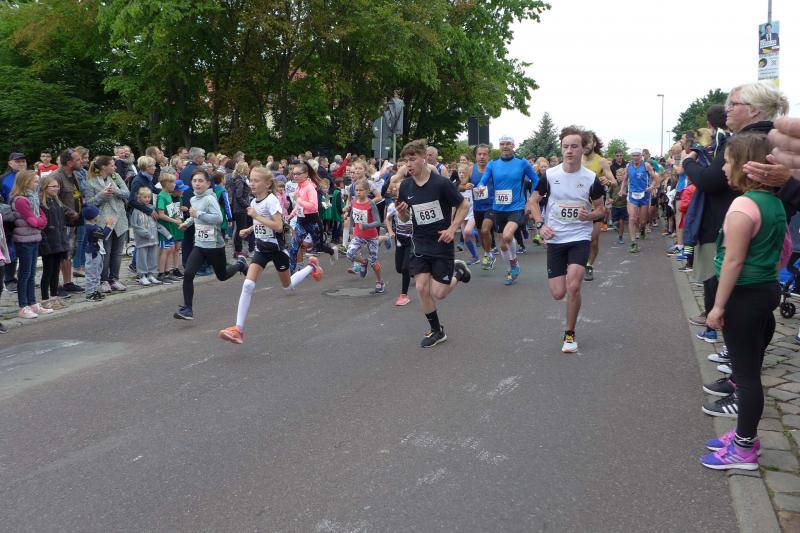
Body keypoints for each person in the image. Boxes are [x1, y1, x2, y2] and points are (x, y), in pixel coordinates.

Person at [700, 133, 785, 470]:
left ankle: (744, 448)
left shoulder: (743, 206)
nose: (723, 167)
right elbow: (780, 249)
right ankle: (742, 436)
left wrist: (718, 306)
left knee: (745, 376)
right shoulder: (774, 202)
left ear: (745, 165)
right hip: (764, 289)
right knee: (747, 371)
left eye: (727, 161)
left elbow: (733, 261)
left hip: (743, 296)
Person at [684, 82, 788, 350]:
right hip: (768, 231)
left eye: (733, 104)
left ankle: (738, 361)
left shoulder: (745, 141)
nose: (726, 109)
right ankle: (745, 359)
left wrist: (687, 163)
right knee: (759, 302)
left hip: (741, 226)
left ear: (754, 110)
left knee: (736, 302)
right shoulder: (773, 138)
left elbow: (711, 181)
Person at [218, 168, 324, 344]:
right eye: (251, 180)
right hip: (261, 250)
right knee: (248, 285)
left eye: (256, 180)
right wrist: (250, 229)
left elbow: (277, 226)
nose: (252, 184)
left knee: (288, 287)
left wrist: (256, 216)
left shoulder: (272, 200)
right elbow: (261, 222)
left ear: (267, 184)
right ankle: (238, 330)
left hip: (276, 250)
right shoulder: (254, 200)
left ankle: (311, 266)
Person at [526, 126, 605, 353]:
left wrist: (590, 216)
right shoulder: (550, 176)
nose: (569, 151)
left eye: (574, 147)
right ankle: (569, 316)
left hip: (579, 237)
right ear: (561, 149)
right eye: (566, 147)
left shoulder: (591, 179)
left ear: (583, 149)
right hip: (556, 238)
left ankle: (569, 334)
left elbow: (601, 209)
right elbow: (533, 202)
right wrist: (541, 225)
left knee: (574, 286)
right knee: (558, 292)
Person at [395, 140, 471, 348]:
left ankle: (459, 272)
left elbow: (464, 205)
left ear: (424, 158)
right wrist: (402, 213)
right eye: (406, 161)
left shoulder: (441, 184)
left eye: (412, 159)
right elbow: (405, 217)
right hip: (419, 242)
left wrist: (452, 228)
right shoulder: (405, 186)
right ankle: (437, 330)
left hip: (441, 242)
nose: (408, 164)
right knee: (421, 287)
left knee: (440, 293)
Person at [173, 168, 247, 320]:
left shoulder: (209, 199)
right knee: (188, 274)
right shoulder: (194, 199)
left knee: (222, 276)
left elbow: (218, 218)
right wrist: (187, 223)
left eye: (201, 181)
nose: (197, 184)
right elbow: (195, 217)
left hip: (214, 245)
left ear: (208, 183)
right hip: (200, 245)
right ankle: (187, 309)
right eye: (194, 181)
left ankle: (240, 264)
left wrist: (198, 214)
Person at [474, 135, 538, 285]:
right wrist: (481, 186)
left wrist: (531, 200)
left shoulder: (522, 163)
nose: (505, 146)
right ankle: (510, 271)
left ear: (513, 146)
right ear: (499, 146)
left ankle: (514, 261)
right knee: (503, 244)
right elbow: (483, 180)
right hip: (498, 208)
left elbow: (535, 180)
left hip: (517, 207)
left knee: (508, 235)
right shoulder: (492, 164)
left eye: (508, 143)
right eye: (502, 144)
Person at [9, 170, 51, 319]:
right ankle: (23, 306)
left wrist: (39, 222)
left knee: (32, 273)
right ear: (26, 183)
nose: (37, 184)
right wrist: (39, 223)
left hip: (34, 238)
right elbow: (33, 220)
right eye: (35, 181)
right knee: (25, 273)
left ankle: (32, 303)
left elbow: (42, 217)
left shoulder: (33, 198)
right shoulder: (20, 200)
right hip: (24, 240)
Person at [85, 156, 129, 293]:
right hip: (104, 221)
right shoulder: (91, 182)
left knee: (117, 252)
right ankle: (103, 280)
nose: (114, 167)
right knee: (106, 252)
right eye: (112, 165)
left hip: (120, 219)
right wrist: (101, 195)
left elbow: (127, 193)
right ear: (104, 167)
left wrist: (115, 190)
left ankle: (114, 279)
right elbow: (89, 203)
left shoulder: (116, 177)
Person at [286, 161, 337, 272]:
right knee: (293, 249)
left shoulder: (310, 188)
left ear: (306, 174)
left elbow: (313, 206)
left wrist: (299, 199)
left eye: (298, 174)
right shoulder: (298, 187)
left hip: (313, 222)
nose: (295, 176)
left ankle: (332, 251)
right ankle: (290, 275)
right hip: (301, 222)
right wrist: (291, 215)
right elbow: (299, 205)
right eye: (294, 174)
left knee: (319, 246)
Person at [581, 131, 616, 281]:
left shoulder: (601, 161)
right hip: (579, 207)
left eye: (588, 142)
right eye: (583, 142)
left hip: (597, 207)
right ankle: (578, 264)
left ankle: (589, 265)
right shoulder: (576, 159)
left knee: (593, 240)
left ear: (594, 143)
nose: (585, 145)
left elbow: (614, 181)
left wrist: (607, 181)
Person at [345, 178, 386, 293]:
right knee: (349, 253)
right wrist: (351, 231)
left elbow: (378, 222)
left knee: (374, 262)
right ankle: (363, 262)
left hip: (371, 236)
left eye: (361, 190)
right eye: (356, 190)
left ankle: (380, 281)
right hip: (358, 235)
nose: (358, 192)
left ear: (367, 191)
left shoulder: (371, 203)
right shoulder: (354, 201)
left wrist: (367, 225)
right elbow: (352, 216)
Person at [38, 175, 69, 310]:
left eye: (58, 186)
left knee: (56, 271)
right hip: (48, 243)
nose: (57, 189)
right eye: (53, 186)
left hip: (59, 242)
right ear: (45, 187)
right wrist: (44, 242)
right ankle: (45, 299)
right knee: (47, 271)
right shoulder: (41, 204)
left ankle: (54, 296)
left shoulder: (57, 202)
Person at [618, 148, 658, 253]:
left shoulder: (646, 165)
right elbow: (625, 179)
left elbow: (655, 178)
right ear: (631, 156)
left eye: (637, 155)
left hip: (644, 195)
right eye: (633, 155)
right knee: (632, 218)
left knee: (642, 221)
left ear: (641, 156)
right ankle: (633, 243)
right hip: (632, 195)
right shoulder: (628, 166)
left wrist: (651, 187)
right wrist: (622, 189)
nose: (635, 157)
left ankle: (642, 229)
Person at [1, 152, 28, 293]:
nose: (21, 164)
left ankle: (24, 278)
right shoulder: (4, 179)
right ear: (10, 163)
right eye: (18, 161)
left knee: (25, 248)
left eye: (23, 161)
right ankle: (9, 279)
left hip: (28, 218)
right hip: (9, 219)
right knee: (10, 249)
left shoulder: (30, 176)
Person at [129, 188, 162, 286]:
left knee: (152, 257)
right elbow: (135, 225)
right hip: (142, 240)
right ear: (139, 198)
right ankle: (142, 276)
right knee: (142, 258)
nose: (147, 199)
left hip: (153, 239)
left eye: (149, 197)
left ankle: (151, 274)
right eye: (145, 197)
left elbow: (156, 223)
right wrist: (146, 233)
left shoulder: (152, 209)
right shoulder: (136, 211)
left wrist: (165, 234)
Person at [155, 173, 184, 283]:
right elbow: (161, 215)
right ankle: (161, 273)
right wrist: (175, 221)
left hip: (171, 228)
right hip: (164, 228)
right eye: (172, 182)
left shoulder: (168, 195)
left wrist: (178, 219)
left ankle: (167, 272)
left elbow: (171, 211)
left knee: (171, 249)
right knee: (165, 250)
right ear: (165, 183)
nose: (174, 185)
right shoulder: (162, 196)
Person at [82, 205, 114, 302]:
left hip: (98, 251)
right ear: (93, 217)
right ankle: (90, 293)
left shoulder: (93, 226)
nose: (99, 215)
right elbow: (102, 235)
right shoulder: (90, 228)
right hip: (93, 252)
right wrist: (109, 226)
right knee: (92, 273)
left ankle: (95, 291)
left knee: (97, 273)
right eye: (97, 214)